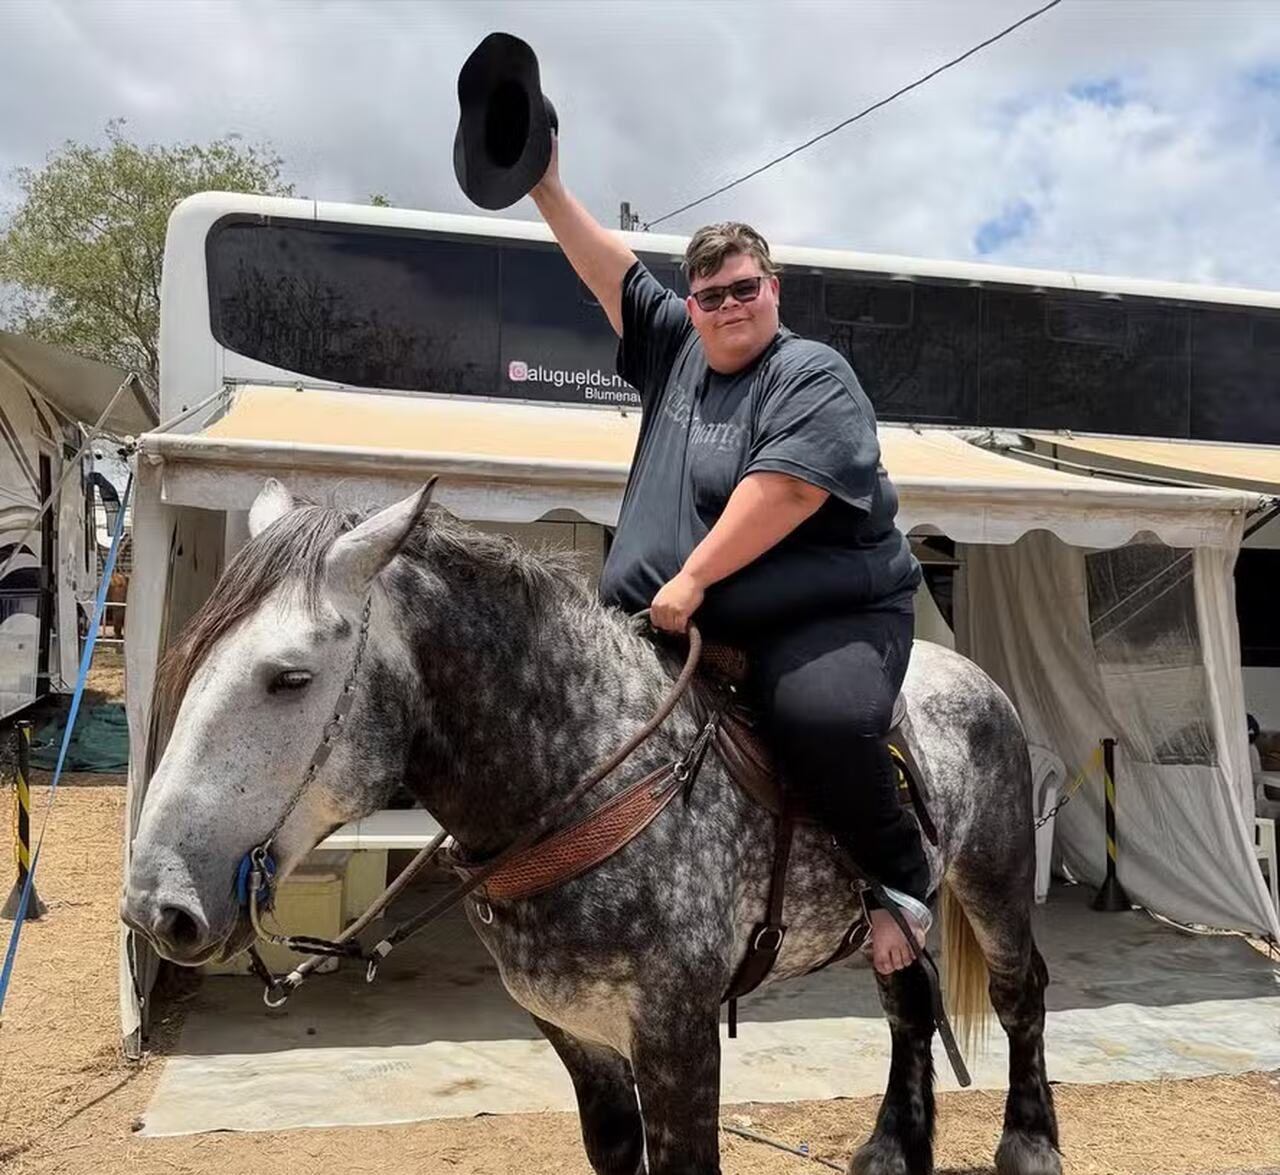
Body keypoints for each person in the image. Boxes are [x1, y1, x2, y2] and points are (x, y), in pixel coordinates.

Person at [530, 138, 929, 974]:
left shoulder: (812, 374)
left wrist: (694, 577)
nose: (728, 305)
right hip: (673, 613)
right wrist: (546, 186)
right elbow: (613, 273)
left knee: (819, 716)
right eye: (710, 295)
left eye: (745, 288)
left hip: (827, 608)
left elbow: (785, 491)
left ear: (772, 290)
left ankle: (898, 880)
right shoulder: (678, 341)